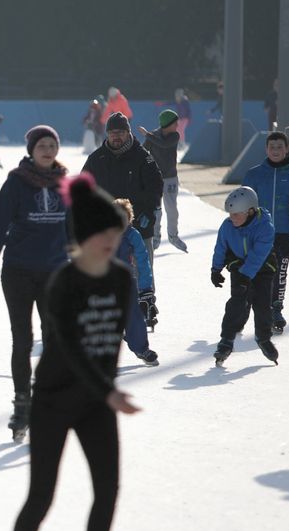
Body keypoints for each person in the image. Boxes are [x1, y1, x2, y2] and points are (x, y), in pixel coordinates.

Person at [0, 172, 141, 531]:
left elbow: (110, 340)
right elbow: (72, 349)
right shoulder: (64, 284)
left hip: (96, 400)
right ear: (81, 238)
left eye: (116, 234)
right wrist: (108, 390)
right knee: (41, 496)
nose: (111, 242)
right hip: (55, 400)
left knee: (108, 489)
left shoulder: (120, 279)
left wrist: (110, 385)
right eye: (103, 235)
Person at [0, 126, 70, 441]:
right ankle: (22, 404)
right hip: (18, 272)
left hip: (55, 272)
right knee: (23, 340)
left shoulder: (66, 185)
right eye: (41, 145)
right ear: (31, 150)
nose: (47, 149)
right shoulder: (16, 183)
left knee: (54, 339)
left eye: (52, 144)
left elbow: (76, 229)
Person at [241, 131, 289, 334]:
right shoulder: (254, 174)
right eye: (272, 147)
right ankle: (253, 309)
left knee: (279, 273)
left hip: (283, 233)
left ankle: (276, 309)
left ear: (287, 149)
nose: (276, 151)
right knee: (256, 274)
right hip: (257, 233)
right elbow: (244, 203)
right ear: (266, 149)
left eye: (280, 147)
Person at [211, 186, 280, 365]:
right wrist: (215, 269)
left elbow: (258, 254)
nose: (231, 218)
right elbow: (221, 247)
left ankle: (263, 338)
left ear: (250, 211)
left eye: (236, 214)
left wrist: (245, 275)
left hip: (263, 268)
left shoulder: (265, 227)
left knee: (262, 305)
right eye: (230, 214)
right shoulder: (227, 226)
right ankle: (226, 340)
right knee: (237, 303)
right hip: (239, 266)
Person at [81, 112, 164, 260]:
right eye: (112, 132)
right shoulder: (96, 159)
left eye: (120, 132)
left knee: (143, 274)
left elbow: (155, 185)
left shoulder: (143, 157)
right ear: (107, 134)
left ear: (128, 133)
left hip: (138, 226)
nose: (116, 136)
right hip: (105, 229)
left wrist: (149, 212)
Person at [112, 199, 159, 365]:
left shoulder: (133, 235)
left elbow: (143, 261)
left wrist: (146, 288)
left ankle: (141, 348)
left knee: (135, 315)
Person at [139, 110, 187, 252]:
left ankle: (173, 236)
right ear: (168, 123)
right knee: (156, 210)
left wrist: (147, 135)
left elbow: (164, 144)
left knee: (172, 209)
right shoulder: (153, 135)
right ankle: (155, 237)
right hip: (155, 179)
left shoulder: (174, 136)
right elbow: (143, 151)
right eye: (175, 122)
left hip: (171, 178)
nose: (178, 125)